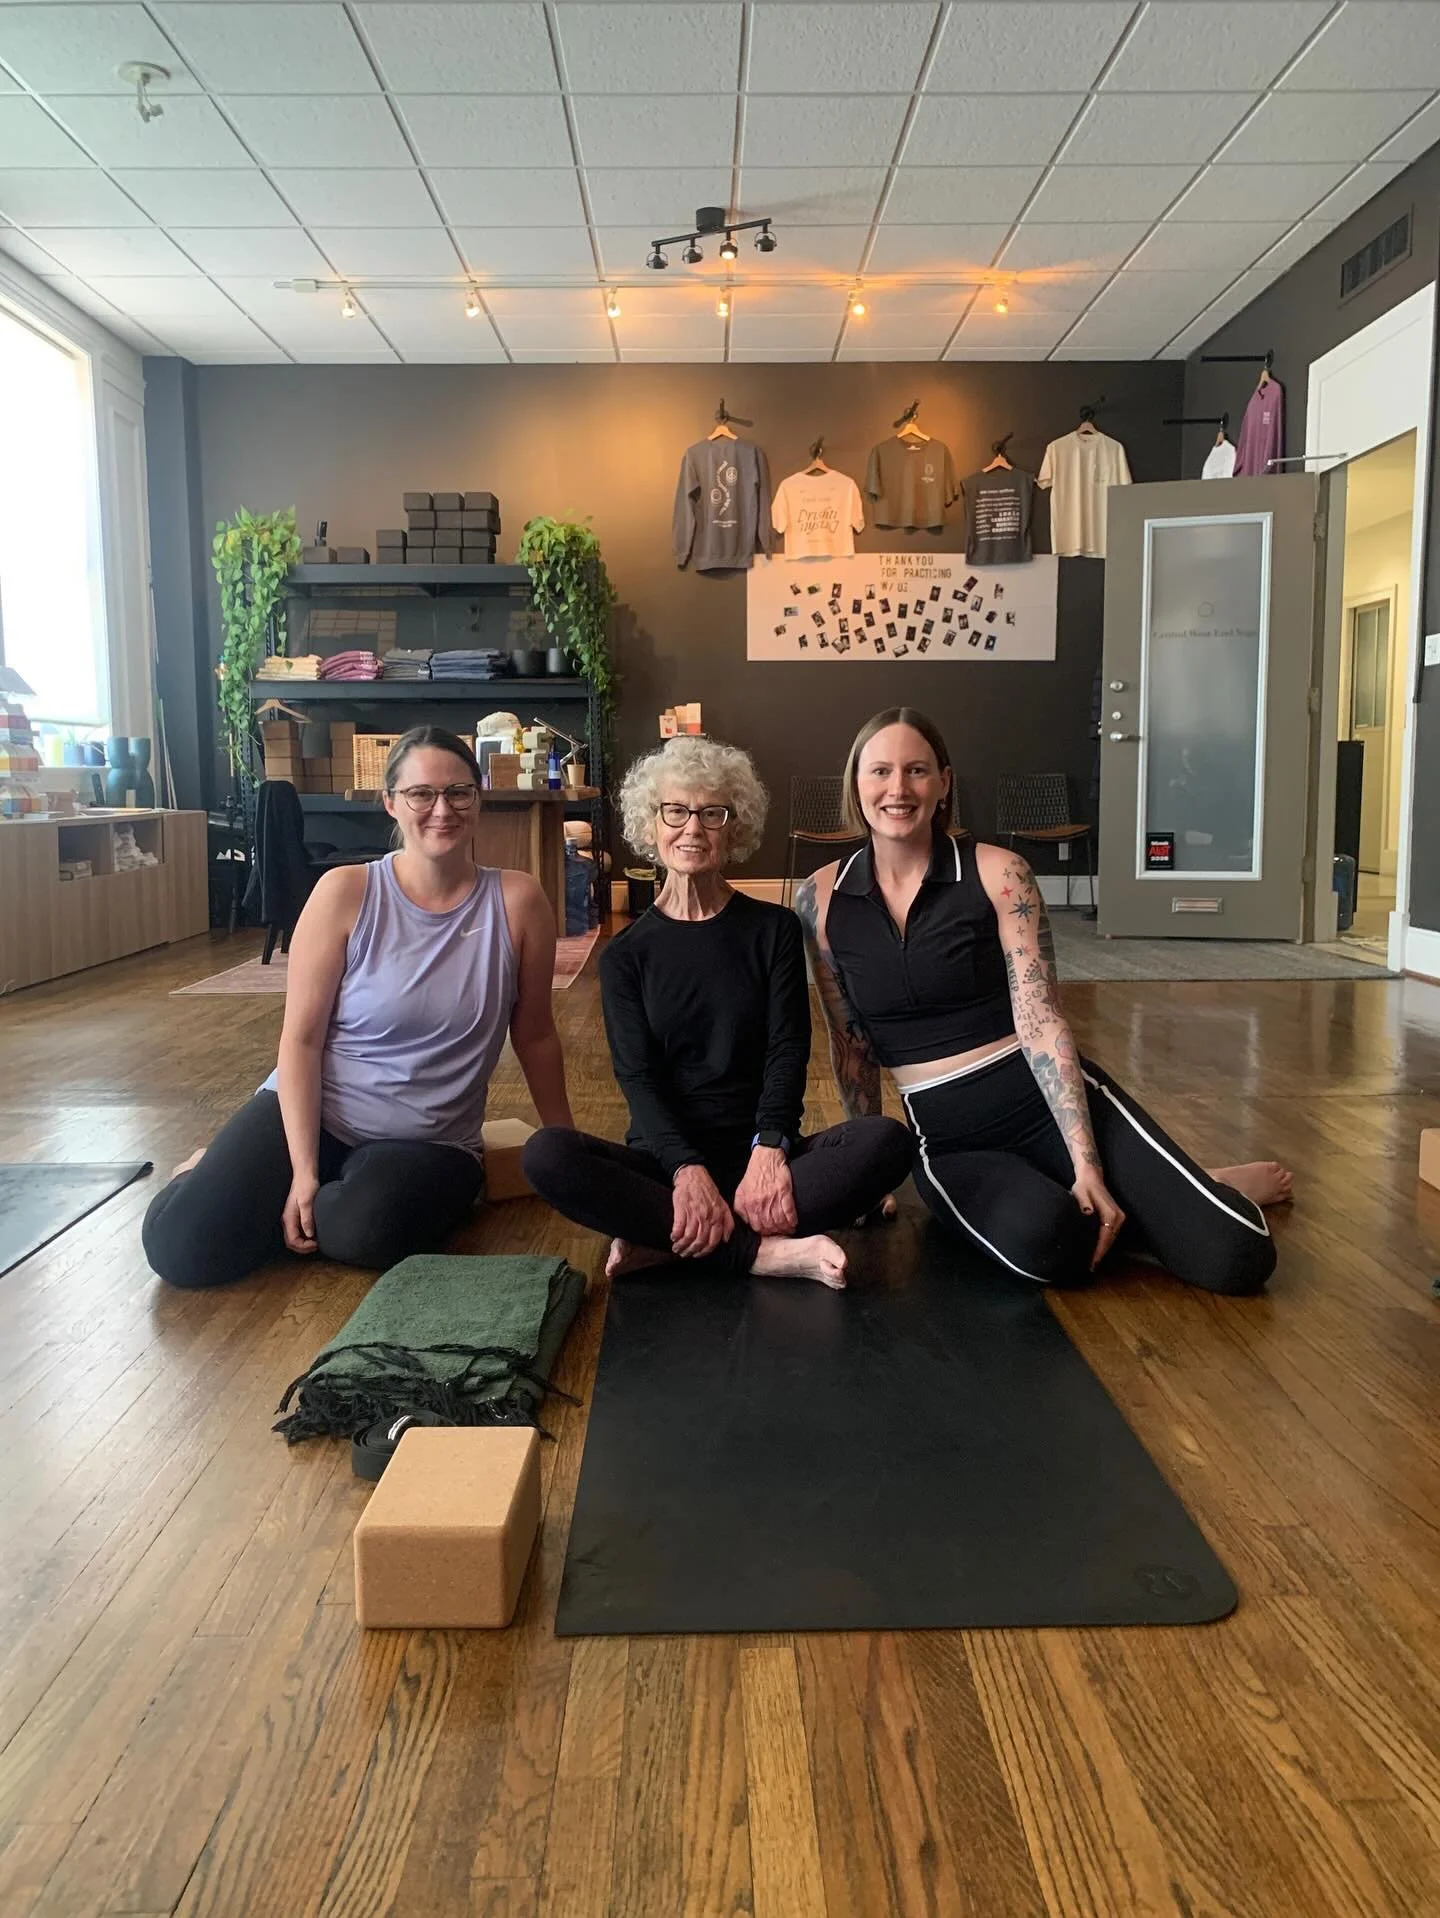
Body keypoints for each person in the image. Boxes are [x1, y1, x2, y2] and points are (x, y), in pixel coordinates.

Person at [795, 707, 1292, 1294]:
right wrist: (869, 1174)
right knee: (1049, 1243)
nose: (898, 788)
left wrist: (1087, 1164)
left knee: (1238, 1255)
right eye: (880, 771)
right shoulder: (819, 900)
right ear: (856, 783)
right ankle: (1175, 1187)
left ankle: (1180, 1188)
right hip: (952, 1142)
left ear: (944, 782)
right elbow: (850, 1044)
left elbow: (1041, 1021)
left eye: (917, 770)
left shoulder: (1000, 873)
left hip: (1047, 1102)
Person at [143, 726, 572, 1288]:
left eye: (458, 793)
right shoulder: (344, 892)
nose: (442, 809)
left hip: (429, 1142)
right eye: (421, 794)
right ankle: (214, 1173)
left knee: (364, 1232)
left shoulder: (518, 901)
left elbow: (535, 1035)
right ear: (391, 802)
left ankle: (297, 1200)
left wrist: (569, 1149)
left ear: (478, 798)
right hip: (318, 1112)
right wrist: (301, 1171)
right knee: (181, 1247)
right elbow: (301, 1041)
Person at [522, 736, 913, 1288]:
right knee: (547, 1155)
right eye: (676, 811)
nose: (693, 828)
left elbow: (787, 1051)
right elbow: (637, 1077)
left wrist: (770, 1149)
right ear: (651, 825)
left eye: (712, 813)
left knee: (888, 1142)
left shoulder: (774, 930)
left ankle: (671, 1243)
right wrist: (686, 1170)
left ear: (734, 828)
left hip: (761, 1158)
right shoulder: (625, 956)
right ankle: (760, 1254)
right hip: (665, 1166)